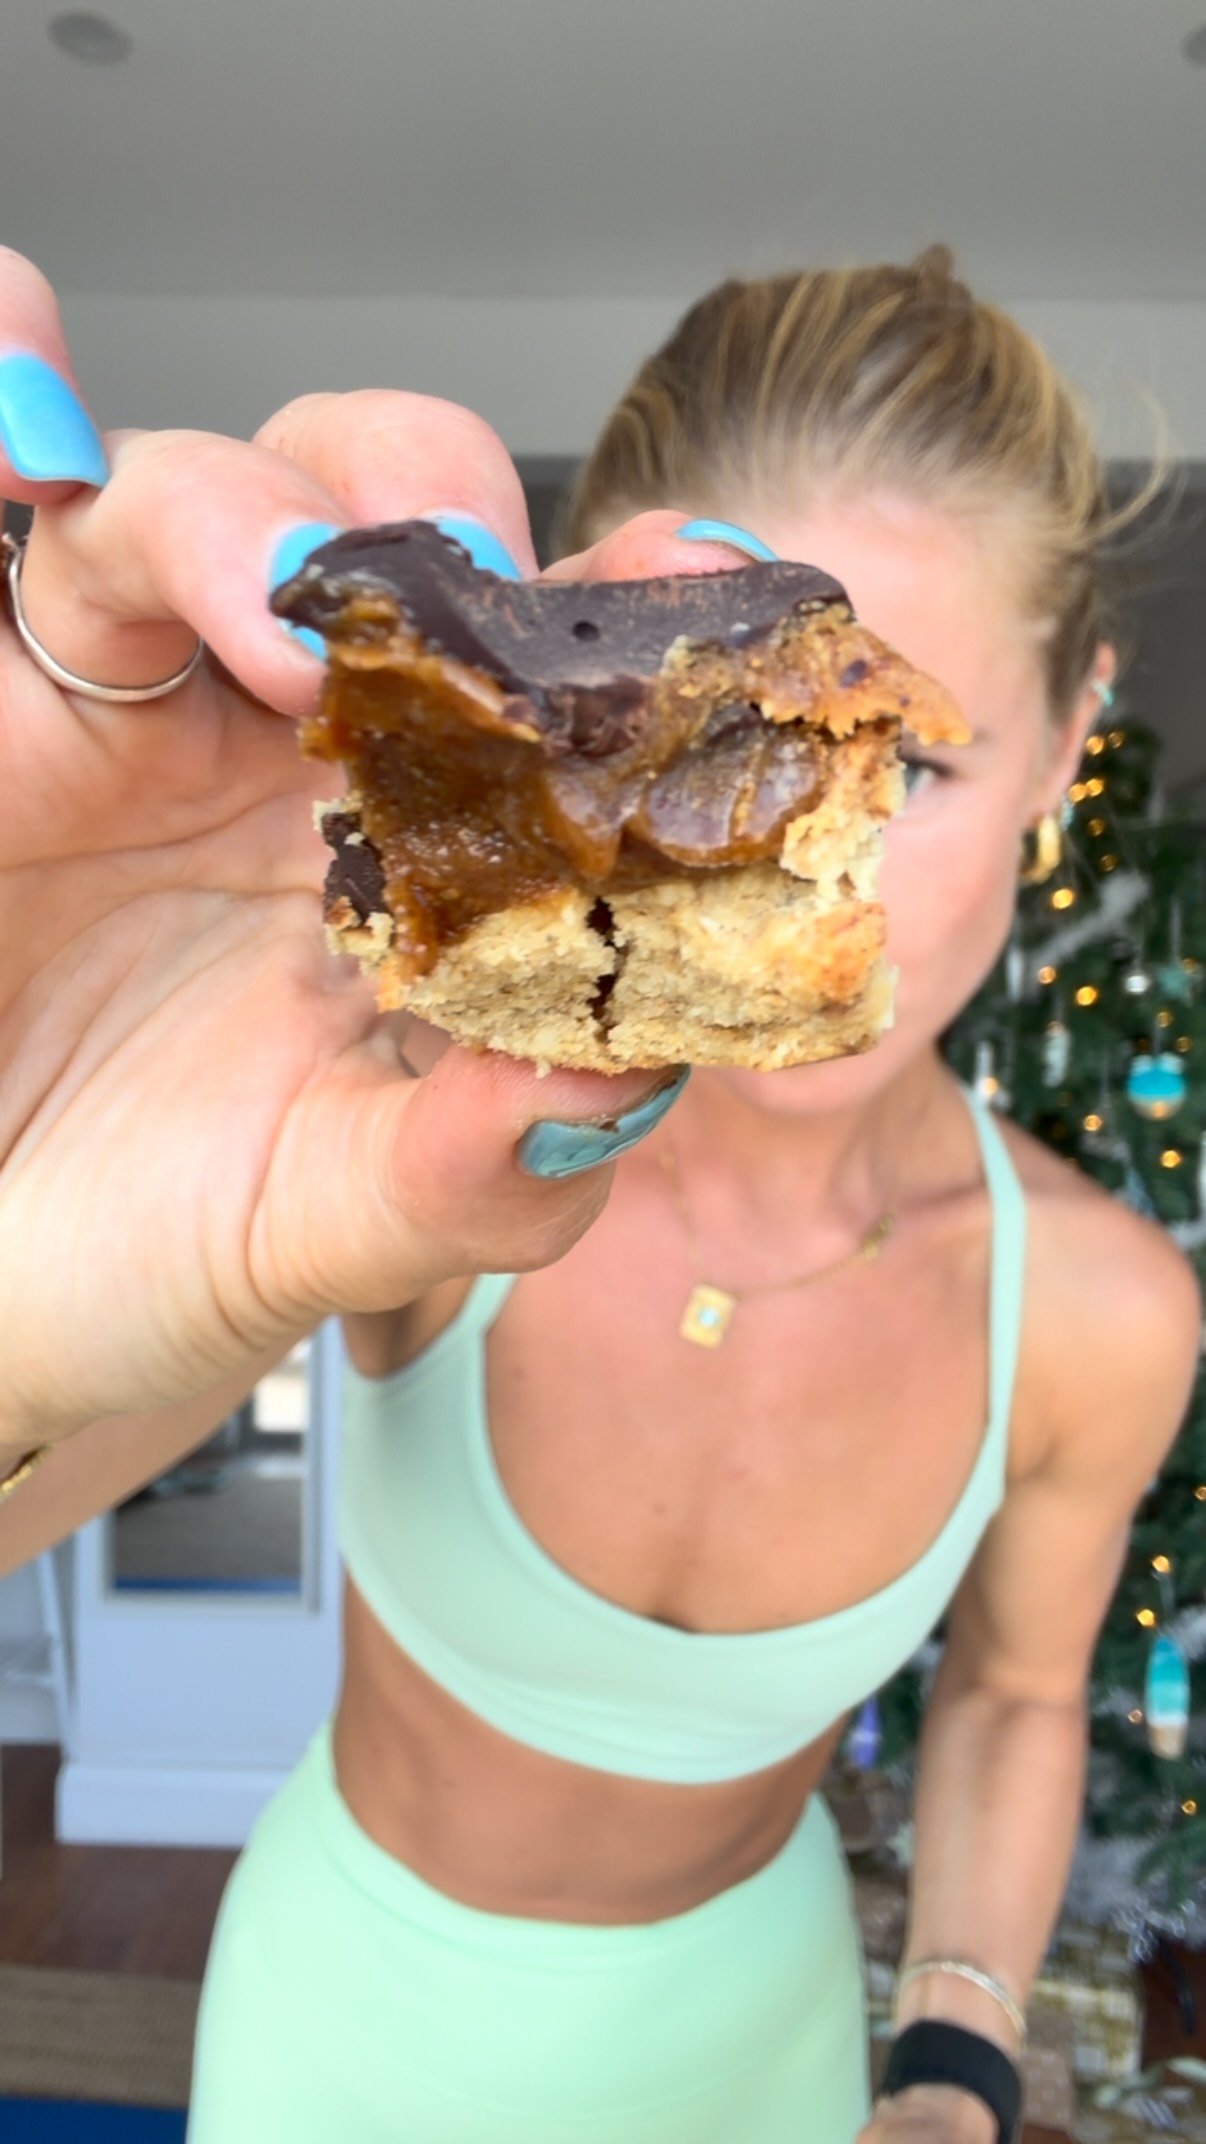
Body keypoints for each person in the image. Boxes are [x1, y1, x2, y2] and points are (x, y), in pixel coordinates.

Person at [0, 240, 1199, 2144]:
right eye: (708, 747)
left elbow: (1014, 1696)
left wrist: (954, 2059)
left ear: (1070, 738)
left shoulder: (1096, 1312)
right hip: (344, 2030)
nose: (794, 851)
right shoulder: (398, 1147)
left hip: (759, 2050)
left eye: (909, 765)